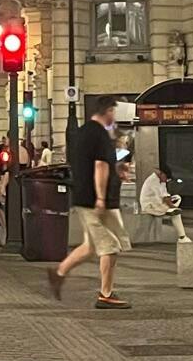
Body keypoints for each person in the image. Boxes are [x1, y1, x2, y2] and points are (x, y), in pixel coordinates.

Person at [47, 98, 131, 308]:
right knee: (110, 246)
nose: (114, 116)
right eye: (113, 111)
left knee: (91, 246)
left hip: (84, 197)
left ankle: (59, 273)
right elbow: (100, 166)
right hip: (95, 200)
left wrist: (116, 169)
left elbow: (89, 163)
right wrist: (101, 197)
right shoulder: (99, 134)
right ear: (107, 111)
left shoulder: (82, 133)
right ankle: (106, 294)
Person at [137, 166, 190, 245]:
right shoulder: (153, 180)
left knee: (178, 198)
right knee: (175, 213)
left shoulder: (161, 180)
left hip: (157, 203)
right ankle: (182, 237)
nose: (166, 180)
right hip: (150, 206)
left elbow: (165, 195)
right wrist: (172, 206)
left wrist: (171, 201)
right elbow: (163, 197)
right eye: (166, 178)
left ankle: (182, 236)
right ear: (162, 174)